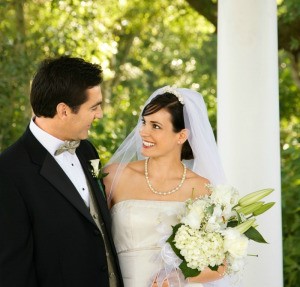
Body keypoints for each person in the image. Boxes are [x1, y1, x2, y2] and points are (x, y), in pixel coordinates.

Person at [0, 56, 123, 287]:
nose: (100, 115)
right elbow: (13, 272)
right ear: (64, 111)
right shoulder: (8, 172)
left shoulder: (87, 150)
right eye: (94, 107)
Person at [104, 86, 231, 287]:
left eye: (155, 126)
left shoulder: (202, 188)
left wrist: (180, 276)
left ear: (181, 136)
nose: (143, 132)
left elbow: (221, 265)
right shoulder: (115, 176)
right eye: (144, 122)